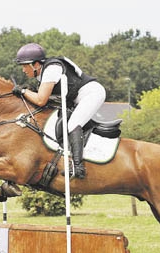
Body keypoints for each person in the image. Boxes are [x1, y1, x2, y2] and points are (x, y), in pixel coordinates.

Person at [12, 43, 106, 179]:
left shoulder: (51, 69)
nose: (23, 70)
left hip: (92, 94)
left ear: (36, 65)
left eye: (24, 65)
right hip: (78, 98)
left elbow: (40, 100)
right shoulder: (44, 74)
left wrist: (23, 91)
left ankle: (78, 167)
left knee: (73, 124)